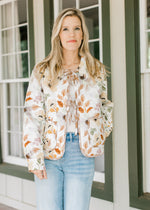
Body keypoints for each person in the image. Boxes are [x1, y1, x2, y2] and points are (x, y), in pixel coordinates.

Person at [22, 8, 113, 210]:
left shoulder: (95, 70)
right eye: (65, 29)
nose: (71, 34)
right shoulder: (43, 70)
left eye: (76, 28)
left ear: (82, 34)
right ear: (58, 34)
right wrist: (34, 157)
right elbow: (32, 115)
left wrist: (98, 135)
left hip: (81, 155)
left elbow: (105, 106)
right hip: (49, 155)